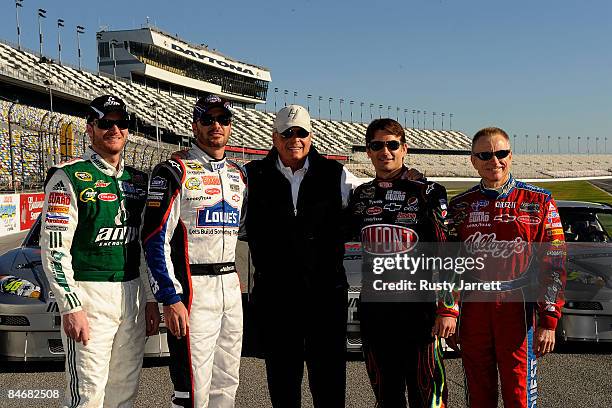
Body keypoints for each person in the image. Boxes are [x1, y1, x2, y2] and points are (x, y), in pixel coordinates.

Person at [40, 94, 159, 407]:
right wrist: (70, 306)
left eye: (122, 123)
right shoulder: (68, 176)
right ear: (90, 128)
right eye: (106, 123)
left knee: (124, 391)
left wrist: (148, 297)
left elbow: (145, 246)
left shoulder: (138, 181)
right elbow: (54, 248)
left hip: (131, 292)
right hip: (90, 295)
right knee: (88, 394)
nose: (115, 129)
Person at [240, 104, 358, 407]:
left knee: (329, 382)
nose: (295, 138)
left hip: (325, 296)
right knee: (282, 384)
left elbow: (374, 196)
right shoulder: (251, 175)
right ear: (274, 137)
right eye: (287, 133)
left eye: (301, 132)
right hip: (276, 298)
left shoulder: (337, 174)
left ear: (311, 136)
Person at [141, 94, 247, 408]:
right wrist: (169, 298)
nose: (216, 125)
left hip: (229, 284)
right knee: (192, 389)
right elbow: (153, 239)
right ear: (194, 125)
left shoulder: (239, 175)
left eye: (223, 120)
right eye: (208, 119)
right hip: (192, 289)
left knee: (227, 382)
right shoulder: (173, 171)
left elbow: (243, 230)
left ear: (230, 127)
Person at [449, 127, 566, 407]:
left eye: (501, 153)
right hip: (474, 307)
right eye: (485, 154)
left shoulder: (539, 201)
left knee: (519, 392)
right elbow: (448, 266)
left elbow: (555, 263)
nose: (495, 161)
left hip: (517, 307)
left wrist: (549, 320)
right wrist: (450, 312)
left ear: (511, 156)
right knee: (479, 392)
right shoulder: (460, 206)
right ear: (473, 160)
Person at [347, 118, 458, 408]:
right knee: (386, 396)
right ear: (368, 152)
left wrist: (448, 308)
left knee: (428, 395)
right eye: (377, 145)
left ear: (404, 148)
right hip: (375, 311)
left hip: (418, 311)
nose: (386, 151)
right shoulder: (361, 196)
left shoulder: (429, 192)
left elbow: (450, 253)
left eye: (392, 144)